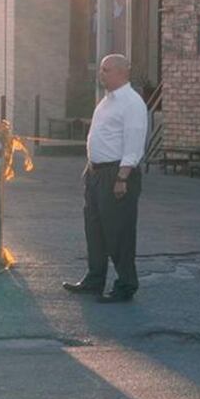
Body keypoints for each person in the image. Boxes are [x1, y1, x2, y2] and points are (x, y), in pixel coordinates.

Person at [63, 54, 149, 303]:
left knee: (119, 232)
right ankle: (94, 279)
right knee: (95, 229)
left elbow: (134, 143)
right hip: (96, 173)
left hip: (117, 175)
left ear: (123, 72)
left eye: (106, 70)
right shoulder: (106, 101)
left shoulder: (131, 103)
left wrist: (122, 177)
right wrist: (90, 167)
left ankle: (126, 285)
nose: (101, 74)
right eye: (101, 69)